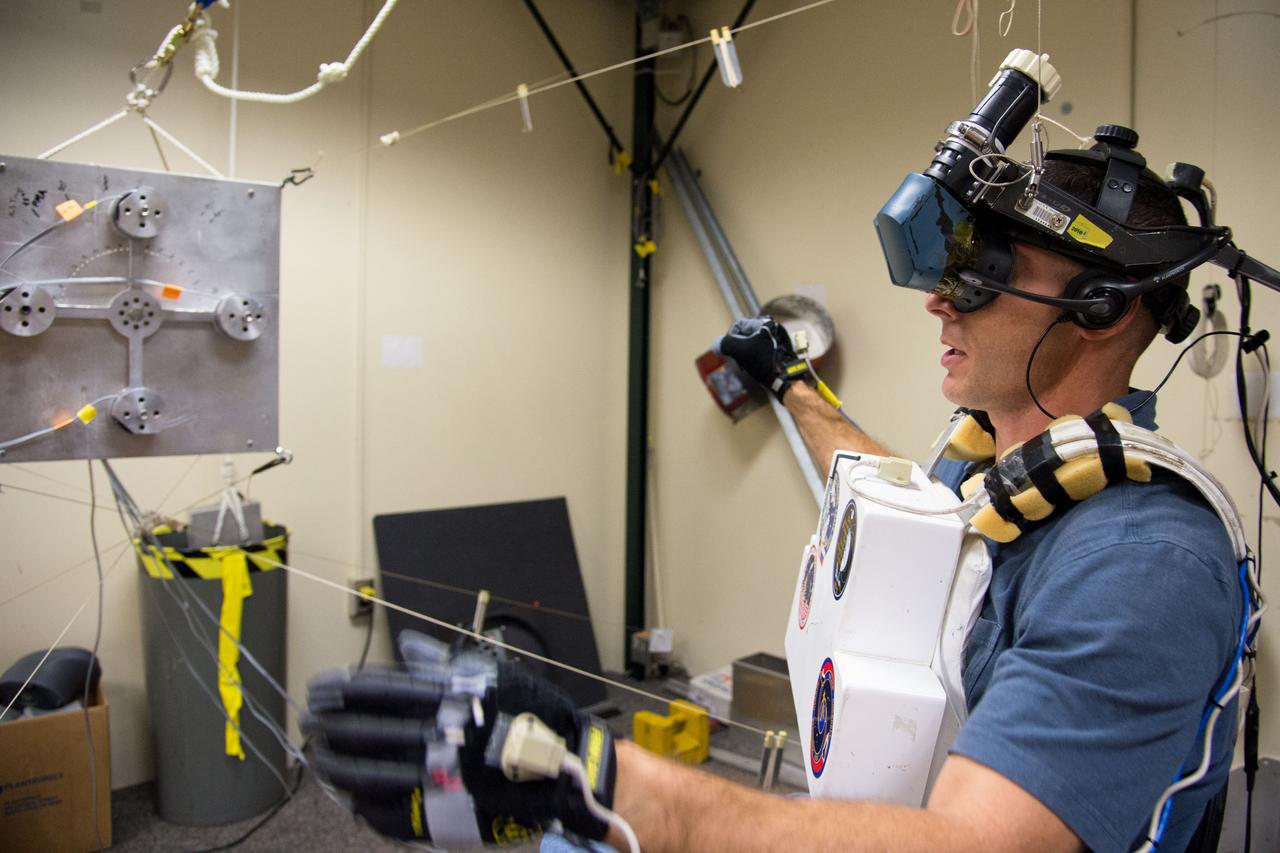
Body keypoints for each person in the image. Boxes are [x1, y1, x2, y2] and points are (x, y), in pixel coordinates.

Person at [304, 153, 1243, 853]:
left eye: (983, 270)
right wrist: (792, 384)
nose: (938, 303)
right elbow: (905, 501)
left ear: (1104, 306)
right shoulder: (1011, 468)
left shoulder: (1140, 563)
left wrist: (606, 778)